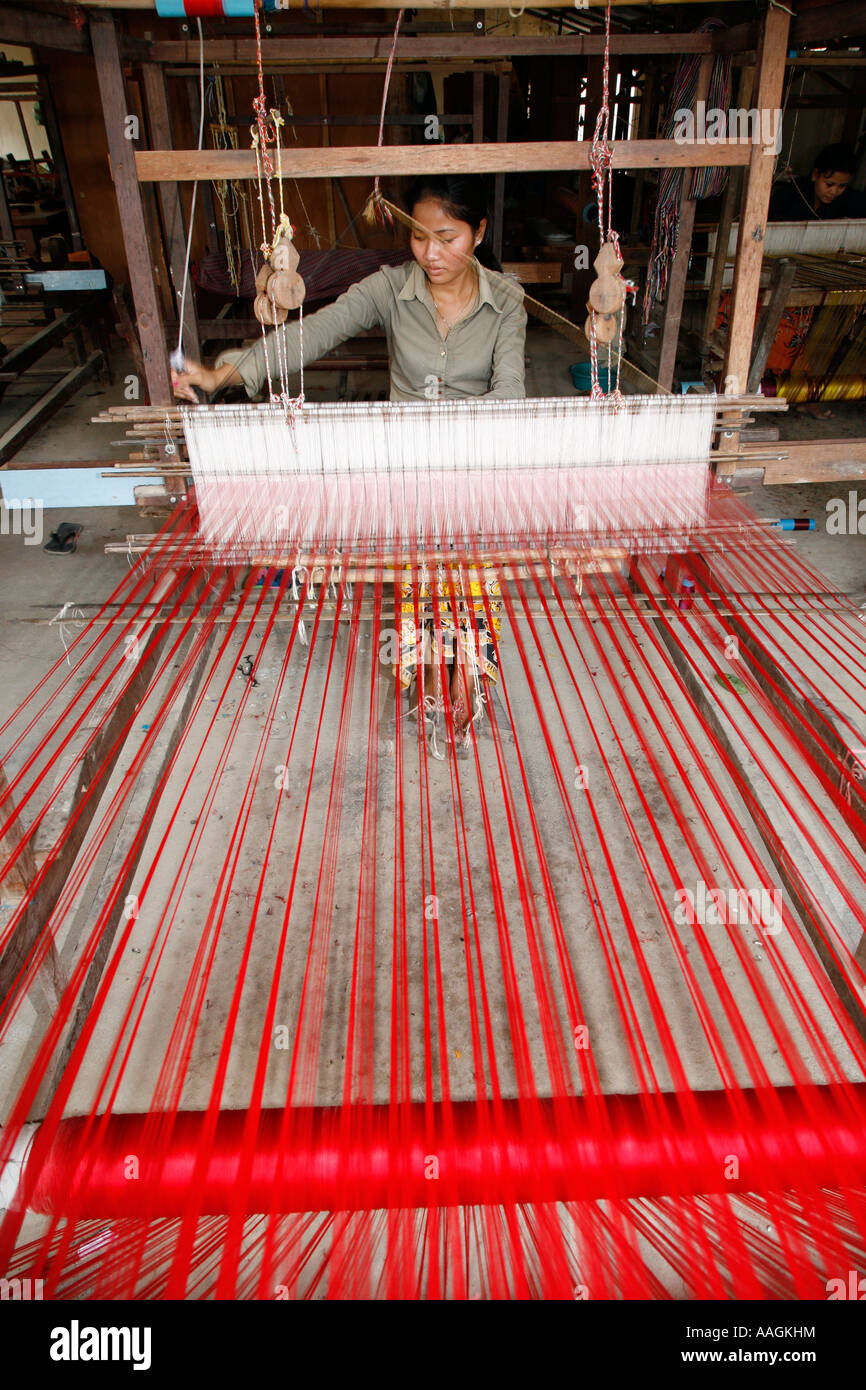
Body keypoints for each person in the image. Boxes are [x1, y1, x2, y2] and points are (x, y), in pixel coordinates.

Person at [173, 175, 527, 746]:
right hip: (404, 465)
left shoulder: (507, 299)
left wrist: (458, 439)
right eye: (418, 238)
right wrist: (227, 371)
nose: (431, 254)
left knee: (471, 572)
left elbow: (509, 389)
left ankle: (470, 679)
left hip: (474, 458)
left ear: (478, 232)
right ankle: (430, 677)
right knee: (418, 571)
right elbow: (315, 333)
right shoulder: (390, 288)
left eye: (447, 237)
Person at [768, 143, 866, 221]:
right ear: (815, 175)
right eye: (829, 184)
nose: (834, 191)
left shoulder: (845, 198)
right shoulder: (793, 192)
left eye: (842, 186)